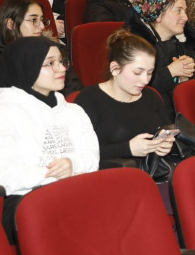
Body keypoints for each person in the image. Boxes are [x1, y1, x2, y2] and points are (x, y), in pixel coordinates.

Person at [0, 37, 99, 242]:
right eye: (50, 63)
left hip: (74, 190)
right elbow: (0, 173)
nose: (61, 68)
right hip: (25, 200)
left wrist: (72, 165)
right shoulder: (0, 114)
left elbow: (91, 155)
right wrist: (53, 176)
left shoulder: (73, 111)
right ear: (26, 66)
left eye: (61, 61)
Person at [74, 30, 175, 167]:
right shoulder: (89, 99)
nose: (145, 80)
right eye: (137, 73)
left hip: (155, 173)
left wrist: (165, 144)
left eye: (150, 73)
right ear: (115, 69)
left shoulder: (151, 96)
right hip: (113, 179)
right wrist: (128, 149)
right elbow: (78, 153)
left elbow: (166, 130)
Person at [0, 0, 81, 96]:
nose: (42, 26)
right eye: (33, 20)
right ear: (11, 24)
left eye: (41, 20)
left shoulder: (55, 50)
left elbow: (74, 91)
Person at [125, 0, 195, 114]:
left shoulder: (182, 45)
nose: (185, 17)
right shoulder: (136, 47)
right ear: (158, 15)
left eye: (185, 11)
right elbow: (133, 89)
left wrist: (184, 78)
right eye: (179, 11)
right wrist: (171, 72)